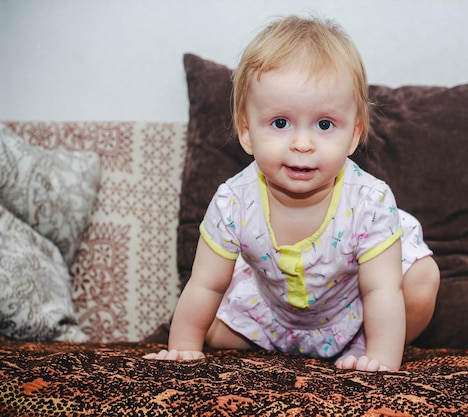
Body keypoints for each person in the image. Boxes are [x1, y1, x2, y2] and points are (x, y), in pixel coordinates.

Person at [144, 15, 439, 372]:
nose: (302, 144)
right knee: (211, 328)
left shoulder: (369, 202)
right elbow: (205, 285)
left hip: (355, 311)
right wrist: (183, 350)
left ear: (354, 134)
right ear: (247, 132)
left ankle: (362, 348)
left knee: (422, 281)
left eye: (325, 125)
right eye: (280, 123)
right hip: (271, 311)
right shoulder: (233, 201)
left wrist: (381, 359)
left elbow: (380, 291)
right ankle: (276, 342)